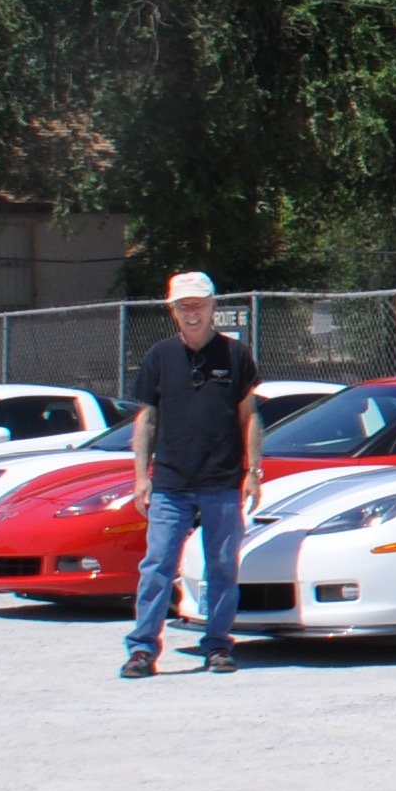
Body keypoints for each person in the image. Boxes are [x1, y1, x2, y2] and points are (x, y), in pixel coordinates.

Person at [121, 271, 264, 677]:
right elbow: (147, 420)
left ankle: (218, 646)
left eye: (199, 305)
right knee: (157, 566)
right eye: (184, 307)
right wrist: (141, 477)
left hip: (222, 482)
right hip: (170, 483)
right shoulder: (159, 356)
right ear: (172, 311)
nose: (192, 313)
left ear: (212, 306)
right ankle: (142, 650)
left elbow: (249, 416)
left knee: (222, 567)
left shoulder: (236, 355)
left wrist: (254, 471)